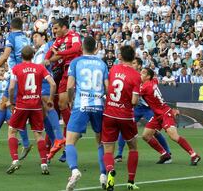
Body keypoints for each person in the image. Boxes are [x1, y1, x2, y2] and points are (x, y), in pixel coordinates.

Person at [64, 36, 108, 190]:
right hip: (98, 107)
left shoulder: (76, 62)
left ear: (82, 47)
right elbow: (107, 88)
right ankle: (103, 175)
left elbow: (70, 86)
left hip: (80, 106)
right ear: (96, 48)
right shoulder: (102, 64)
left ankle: (74, 170)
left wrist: (70, 100)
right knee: (101, 142)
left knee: (69, 141)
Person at [5, 45, 56, 175]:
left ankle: (15, 160)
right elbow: (53, 84)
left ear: (21, 56)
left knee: (12, 131)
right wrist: (50, 99)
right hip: (36, 106)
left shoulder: (16, 68)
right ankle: (44, 163)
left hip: (22, 105)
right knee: (38, 134)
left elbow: (11, 88)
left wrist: (11, 101)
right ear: (33, 55)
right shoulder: (40, 68)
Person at [115, 58, 172, 163]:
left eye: (134, 63)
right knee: (124, 129)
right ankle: (119, 154)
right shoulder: (128, 75)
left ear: (140, 66)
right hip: (136, 109)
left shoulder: (144, 76)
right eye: (131, 62)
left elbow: (154, 81)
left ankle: (167, 152)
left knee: (155, 131)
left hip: (147, 109)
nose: (132, 64)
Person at [140, 68, 201, 166]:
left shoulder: (145, 87)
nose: (140, 74)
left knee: (173, 136)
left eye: (143, 73)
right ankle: (165, 154)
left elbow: (133, 95)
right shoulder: (153, 81)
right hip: (157, 115)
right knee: (145, 135)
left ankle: (194, 155)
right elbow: (155, 79)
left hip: (164, 113)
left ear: (148, 77)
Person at [0, 17, 32, 160]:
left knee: (9, 108)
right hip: (26, 74)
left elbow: (5, 55)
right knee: (6, 106)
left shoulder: (12, 36)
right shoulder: (26, 38)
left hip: (17, 75)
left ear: (11, 27)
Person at [101, 45, 141, 191]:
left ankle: (110, 170)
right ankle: (130, 182)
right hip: (125, 116)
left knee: (108, 150)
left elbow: (108, 87)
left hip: (109, 113)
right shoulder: (136, 75)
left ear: (120, 56)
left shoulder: (114, 69)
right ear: (134, 56)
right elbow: (135, 101)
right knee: (133, 148)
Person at [44, 17, 82, 161]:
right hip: (59, 73)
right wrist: (44, 62)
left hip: (71, 70)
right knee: (53, 109)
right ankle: (50, 150)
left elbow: (77, 49)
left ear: (64, 27)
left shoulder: (73, 36)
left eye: (56, 28)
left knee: (61, 104)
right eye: (53, 29)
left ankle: (73, 129)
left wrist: (60, 54)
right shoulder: (59, 40)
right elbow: (49, 54)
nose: (54, 31)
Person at [32, 31, 64, 159]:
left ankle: (59, 138)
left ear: (43, 37)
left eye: (36, 36)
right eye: (33, 37)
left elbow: (59, 55)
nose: (34, 39)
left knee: (49, 107)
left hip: (45, 80)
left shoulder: (49, 45)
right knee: (43, 115)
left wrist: (49, 60)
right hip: (37, 83)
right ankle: (53, 143)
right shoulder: (37, 52)